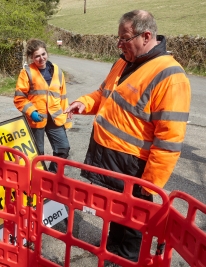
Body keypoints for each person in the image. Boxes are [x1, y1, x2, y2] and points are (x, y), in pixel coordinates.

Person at [65, 10, 191, 264]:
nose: (119, 45)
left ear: (146, 36)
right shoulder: (124, 61)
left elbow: (168, 141)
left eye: (124, 38)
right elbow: (104, 94)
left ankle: (126, 259)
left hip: (136, 169)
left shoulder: (171, 76)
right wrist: (84, 103)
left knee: (133, 224)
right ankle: (111, 252)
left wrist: (149, 186)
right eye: (119, 38)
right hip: (111, 162)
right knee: (116, 214)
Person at [14, 38, 72, 173]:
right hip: (36, 119)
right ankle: (36, 184)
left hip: (55, 119)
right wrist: (32, 112)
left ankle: (50, 177)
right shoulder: (27, 72)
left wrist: (66, 120)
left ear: (47, 52)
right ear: (31, 58)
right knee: (37, 155)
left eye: (43, 54)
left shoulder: (57, 71)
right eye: (37, 56)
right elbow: (19, 98)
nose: (41, 58)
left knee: (63, 149)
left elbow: (63, 96)